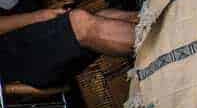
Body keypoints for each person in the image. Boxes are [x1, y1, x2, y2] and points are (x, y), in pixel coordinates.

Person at [0, 7, 136, 89]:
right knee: (81, 23)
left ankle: (152, 24)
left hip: (33, 40)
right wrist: (37, 16)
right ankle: (152, 39)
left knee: (104, 17)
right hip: (19, 57)